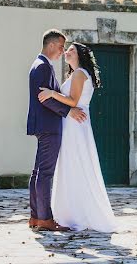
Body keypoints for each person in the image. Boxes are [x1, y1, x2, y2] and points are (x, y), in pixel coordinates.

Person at [38, 42, 117, 233]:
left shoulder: (80, 73)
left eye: (71, 50)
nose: (67, 52)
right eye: (67, 49)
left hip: (75, 125)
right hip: (73, 123)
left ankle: (76, 214)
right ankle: (70, 212)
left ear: (80, 54)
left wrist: (51, 93)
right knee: (70, 165)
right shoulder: (76, 74)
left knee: (75, 164)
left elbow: (73, 101)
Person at [27, 29, 87, 232]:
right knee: (45, 173)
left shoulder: (40, 65)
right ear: (51, 45)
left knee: (38, 172)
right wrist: (69, 111)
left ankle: (36, 217)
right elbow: (46, 99)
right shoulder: (43, 67)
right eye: (61, 47)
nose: (62, 51)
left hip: (42, 125)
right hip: (49, 126)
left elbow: (47, 96)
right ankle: (44, 218)